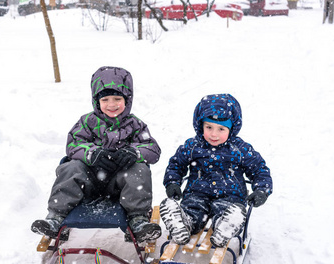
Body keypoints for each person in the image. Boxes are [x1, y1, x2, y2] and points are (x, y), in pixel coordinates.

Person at [31, 66, 162, 242]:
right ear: (96, 101)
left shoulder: (135, 125)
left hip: (121, 186)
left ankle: (137, 219)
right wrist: (92, 154)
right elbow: (73, 144)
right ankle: (56, 217)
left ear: (127, 99)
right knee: (71, 167)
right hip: (89, 182)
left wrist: (134, 153)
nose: (112, 104)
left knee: (139, 169)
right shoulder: (87, 122)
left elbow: (152, 148)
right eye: (105, 99)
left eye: (117, 98)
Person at [159, 94, 273, 247]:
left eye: (221, 129)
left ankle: (224, 227)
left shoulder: (240, 149)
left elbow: (259, 169)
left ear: (232, 129)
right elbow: (176, 164)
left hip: (230, 196)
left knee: (226, 212)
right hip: (197, 193)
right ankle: (183, 223)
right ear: (200, 126)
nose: (214, 134)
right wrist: (172, 182)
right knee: (193, 211)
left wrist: (261, 190)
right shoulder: (193, 146)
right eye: (209, 127)